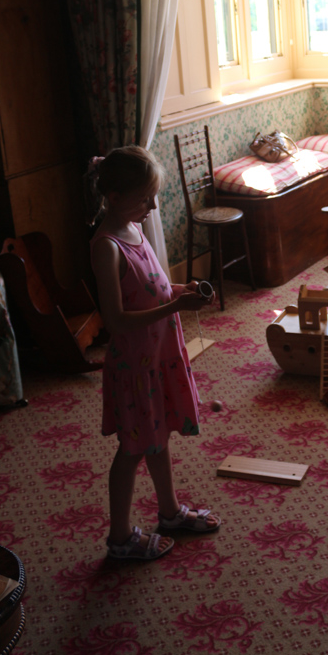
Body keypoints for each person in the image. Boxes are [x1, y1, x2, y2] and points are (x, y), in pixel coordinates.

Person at [87, 145, 220, 561]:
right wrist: (176, 306)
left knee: (158, 440)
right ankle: (120, 538)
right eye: (145, 197)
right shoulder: (106, 246)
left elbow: (152, 291)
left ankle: (169, 512)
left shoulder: (135, 229)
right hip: (133, 367)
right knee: (131, 450)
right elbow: (117, 321)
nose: (153, 205)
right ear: (114, 196)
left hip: (159, 357)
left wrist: (181, 292)